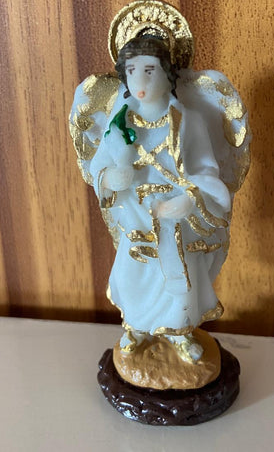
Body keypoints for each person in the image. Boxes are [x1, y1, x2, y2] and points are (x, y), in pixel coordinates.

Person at [88, 36, 231, 362]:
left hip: (175, 214)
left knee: (180, 278)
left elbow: (206, 170)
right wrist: (110, 177)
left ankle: (179, 332)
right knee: (134, 272)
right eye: (132, 71)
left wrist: (189, 200)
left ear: (168, 74)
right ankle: (135, 327)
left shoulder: (188, 122)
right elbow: (99, 166)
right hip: (135, 213)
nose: (140, 81)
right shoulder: (119, 123)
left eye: (149, 71)